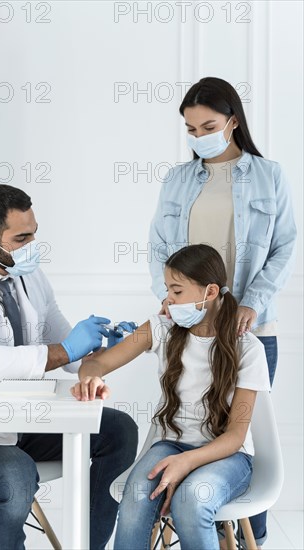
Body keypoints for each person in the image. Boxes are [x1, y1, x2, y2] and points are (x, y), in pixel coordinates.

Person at [0, 183, 138, 550]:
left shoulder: (29, 275)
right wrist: (67, 350)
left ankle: (88, 545)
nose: (33, 244)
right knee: (14, 476)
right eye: (22, 238)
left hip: (28, 419)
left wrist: (103, 345)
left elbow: (67, 351)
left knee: (119, 430)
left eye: (34, 233)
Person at [148, 77, 296, 547]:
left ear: (232, 121)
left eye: (208, 126)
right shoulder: (177, 179)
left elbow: (285, 246)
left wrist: (253, 302)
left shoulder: (268, 175)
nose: (198, 138)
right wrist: (169, 298)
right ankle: (200, 526)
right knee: (194, 428)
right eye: (190, 130)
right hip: (190, 329)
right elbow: (157, 249)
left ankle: (258, 535)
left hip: (251, 327)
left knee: (245, 439)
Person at [71, 244, 271, 550]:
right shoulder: (160, 327)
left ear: (211, 291)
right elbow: (99, 362)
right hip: (169, 444)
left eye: (176, 291)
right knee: (136, 497)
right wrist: (90, 377)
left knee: (192, 500)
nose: (168, 301)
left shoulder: (249, 349)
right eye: (167, 290)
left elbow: (236, 435)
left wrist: (186, 461)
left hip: (229, 456)